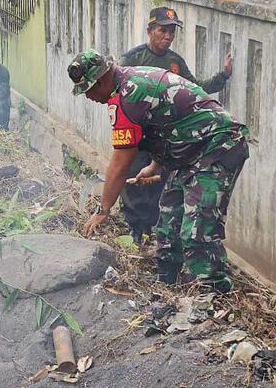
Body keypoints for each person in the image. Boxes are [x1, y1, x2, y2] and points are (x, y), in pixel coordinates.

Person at [69, 49, 248, 293]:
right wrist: (154, 165)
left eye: (87, 90)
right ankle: (167, 285)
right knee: (167, 223)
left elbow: (120, 165)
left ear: (100, 81)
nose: (88, 97)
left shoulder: (129, 96)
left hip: (216, 147)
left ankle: (213, 296)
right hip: (189, 151)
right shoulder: (127, 83)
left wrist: (103, 210)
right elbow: (166, 124)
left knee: (197, 230)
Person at [118, 7, 233, 244]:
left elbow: (195, 88)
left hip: (167, 138)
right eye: (163, 30)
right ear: (150, 30)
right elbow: (119, 95)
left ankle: (154, 230)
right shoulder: (132, 60)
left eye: (172, 31)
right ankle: (135, 228)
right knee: (134, 179)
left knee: (160, 183)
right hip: (140, 134)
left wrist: (222, 76)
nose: (168, 36)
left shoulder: (175, 62)